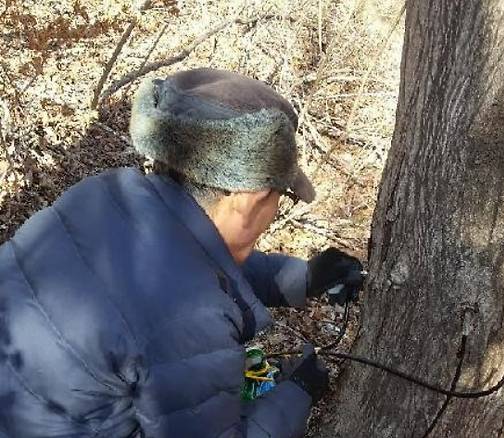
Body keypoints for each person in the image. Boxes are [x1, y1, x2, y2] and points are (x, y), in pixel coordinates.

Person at [0, 68, 364, 437]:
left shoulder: (106, 193)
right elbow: (182, 300)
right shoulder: (193, 319)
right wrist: (297, 393)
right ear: (251, 200)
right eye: (280, 198)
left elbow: (190, 266)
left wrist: (304, 279)